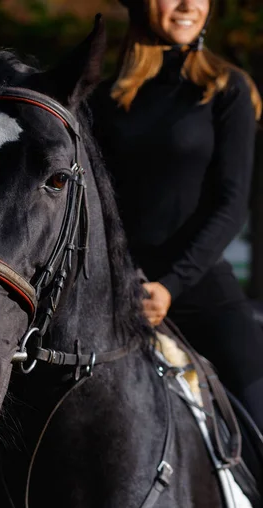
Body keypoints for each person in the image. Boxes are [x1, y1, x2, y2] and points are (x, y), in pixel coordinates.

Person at [90, 0, 263, 432]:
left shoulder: (228, 89)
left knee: (259, 414)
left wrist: (171, 285)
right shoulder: (101, 101)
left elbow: (232, 203)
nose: (189, 6)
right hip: (116, 295)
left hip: (201, 290)